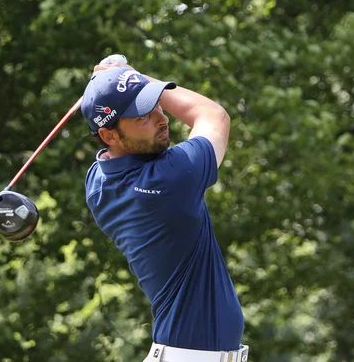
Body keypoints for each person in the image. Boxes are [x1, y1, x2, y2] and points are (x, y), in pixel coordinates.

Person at [80, 57, 248, 362]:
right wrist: (130, 75)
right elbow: (214, 116)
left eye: (156, 103)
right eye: (143, 116)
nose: (162, 118)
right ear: (109, 135)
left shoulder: (98, 183)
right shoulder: (168, 180)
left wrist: (118, 84)